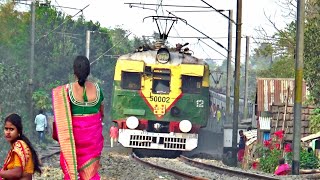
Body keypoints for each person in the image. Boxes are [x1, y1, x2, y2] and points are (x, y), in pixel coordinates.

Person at [52, 55, 105, 180]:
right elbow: (101, 113)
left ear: (74, 71)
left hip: (73, 139)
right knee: (90, 174)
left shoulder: (66, 90)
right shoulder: (97, 89)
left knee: (71, 172)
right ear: (88, 71)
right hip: (92, 139)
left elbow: (61, 119)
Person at [0, 113, 42, 179]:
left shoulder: (19, 146)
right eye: (6, 129)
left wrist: (1, 173)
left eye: (11, 129)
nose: (8, 132)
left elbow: (17, 173)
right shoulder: (18, 145)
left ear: (18, 131)